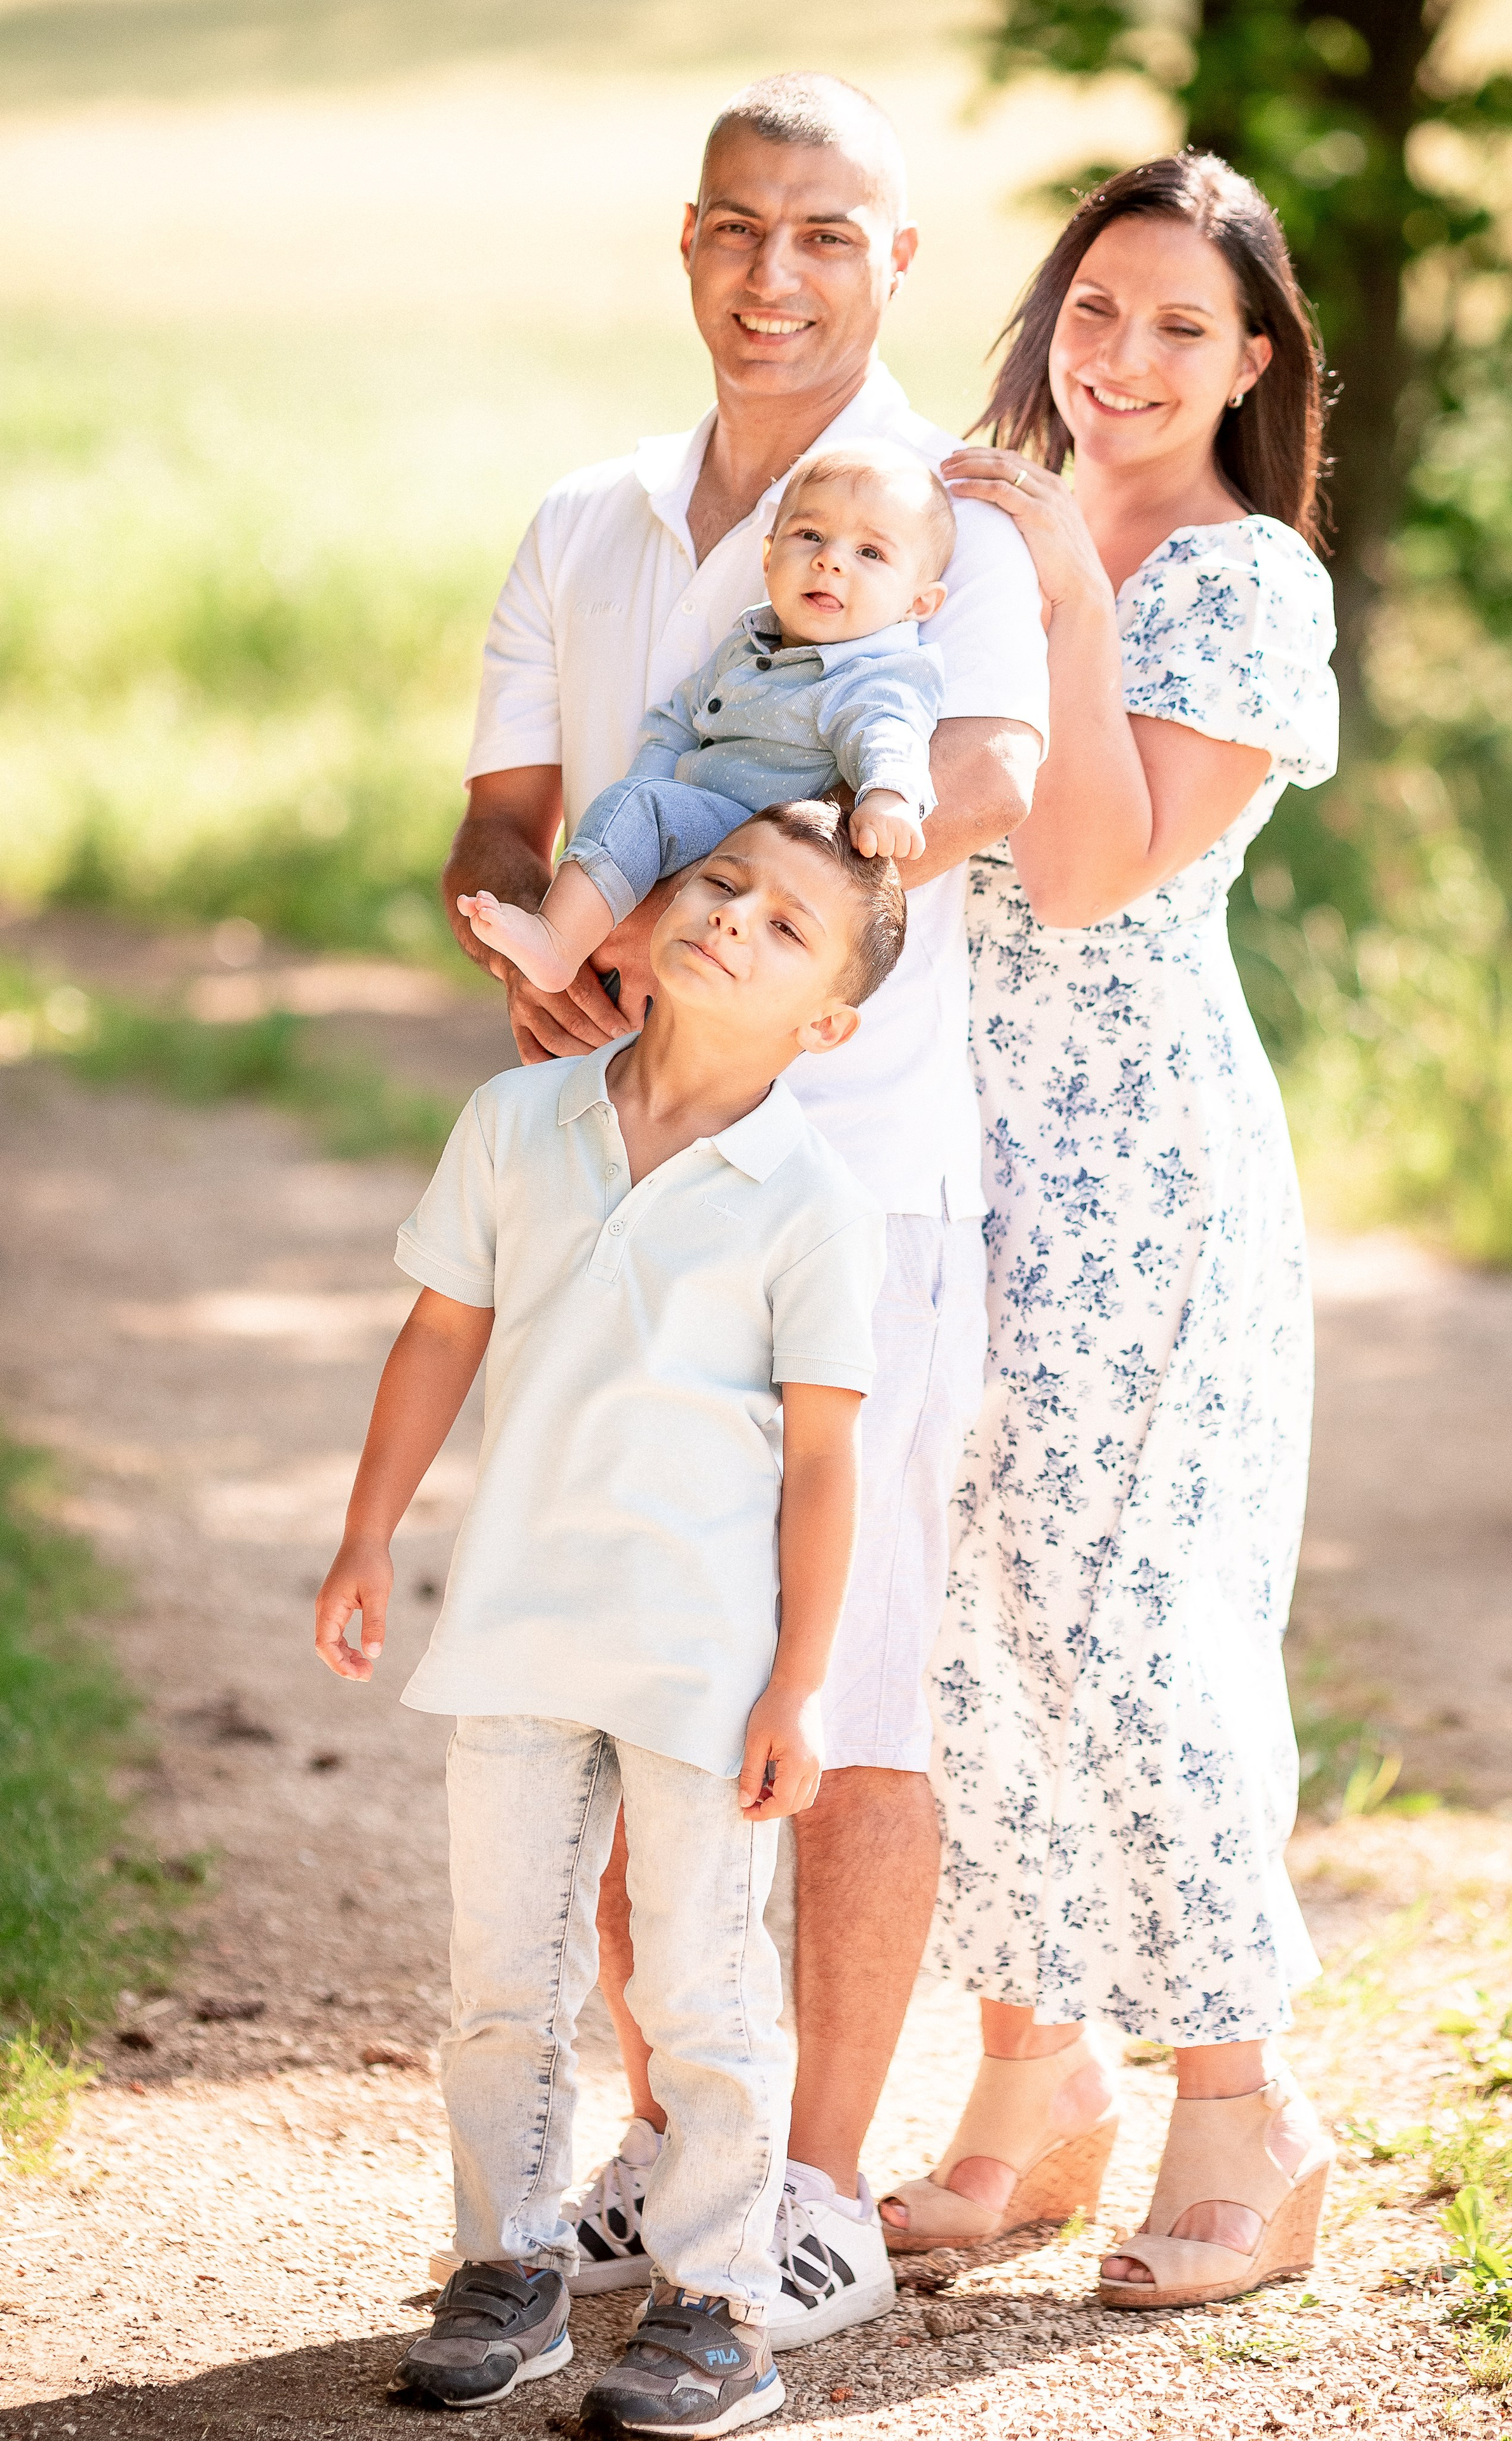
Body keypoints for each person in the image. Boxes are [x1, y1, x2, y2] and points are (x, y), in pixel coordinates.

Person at [439, 71, 1047, 2344]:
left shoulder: (937, 518)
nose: (770, 274)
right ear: (683, 247)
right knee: (637, 1682)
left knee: (848, 1691)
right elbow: (502, 818)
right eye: (732, 229)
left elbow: (973, 780)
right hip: (618, 1190)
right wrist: (528, 927)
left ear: (895, 264)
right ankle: (672, 2132)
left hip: (853, 1197)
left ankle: (807, 2188)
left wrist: (714, 905)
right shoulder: (586, 521)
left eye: (824, 234)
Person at [877, 153, 1340, 2312]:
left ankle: (1249, 2113)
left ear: (1253, 363)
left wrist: (1062, 592)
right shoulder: (967, 523)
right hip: (937, 1138)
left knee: (1142, 1627)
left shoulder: (1243, 583)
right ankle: (1030, 2084)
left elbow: (1083, 873)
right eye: (1094, 309)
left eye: (1178, 326)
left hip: (1140, 1163)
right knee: (962, 1619)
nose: (1122, 358)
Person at [315, 803, 901, 2433]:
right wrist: (368, 1535)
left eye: (789, 925)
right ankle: (508, 2265)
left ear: (828, 1020)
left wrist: (799, 1685)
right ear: (645, 913)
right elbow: (436, 1336)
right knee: (503, 1971)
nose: (733, 919)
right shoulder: (515, 1121)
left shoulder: (809, 1199)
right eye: (719, 883)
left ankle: (716, 2305)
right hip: (515, 1626)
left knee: (700, 1989)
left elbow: (825, 1463)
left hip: (703, 1666)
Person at [458, 442, 955, 993]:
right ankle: (574, 935)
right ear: (768, 557)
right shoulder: (749, 642)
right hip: (698, 822)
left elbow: (888, 731)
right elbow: (679, 717)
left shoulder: (874, 672)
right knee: (636, 805)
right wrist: (646, 783)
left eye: (871, 553)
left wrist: (889, 795)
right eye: (810, 535)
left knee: (640, 809)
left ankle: (557, 943)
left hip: (758, 839)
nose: (830, 559)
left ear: (920, 603)